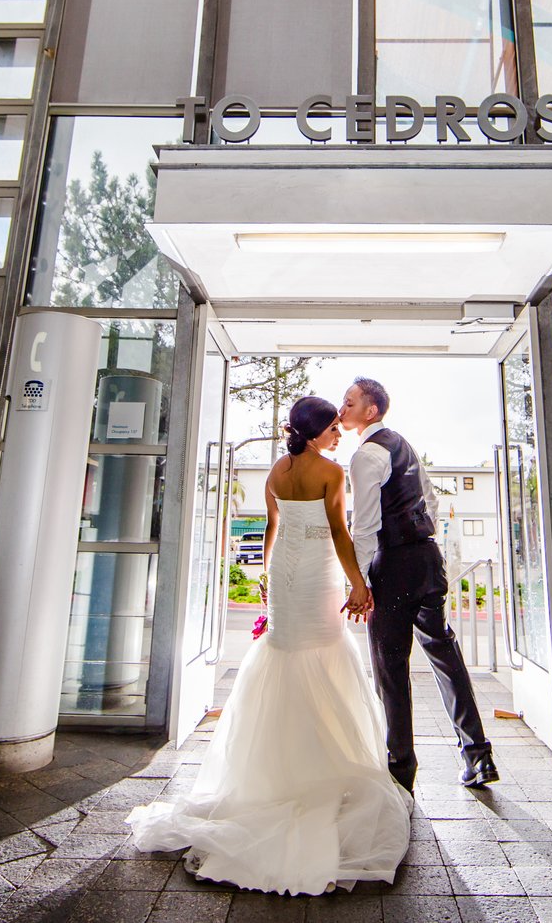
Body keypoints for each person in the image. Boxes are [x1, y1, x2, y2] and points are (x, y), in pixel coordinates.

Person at [128, 396, 411, 895]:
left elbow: (271, 527)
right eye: (332, 427)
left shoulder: (277, 471)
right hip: (317, 575)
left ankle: (278, 771)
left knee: (285, 653)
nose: (338, 433)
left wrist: (265, 574)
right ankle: (317, 767)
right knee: (323, 652)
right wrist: (359, 585)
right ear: (315, 431)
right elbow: (340, 533)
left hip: (283, 574)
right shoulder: (331, 472)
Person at [338, 377, 495, 794]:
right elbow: (432, 500)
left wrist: (359, 581)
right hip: (428, 559)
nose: (341, 409)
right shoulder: (402, 444)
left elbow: (365, 526)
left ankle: (400, 771)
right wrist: (422, 541)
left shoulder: (365, 455)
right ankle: (478, 756)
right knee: (444, 654)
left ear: (370, 411)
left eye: (349, 402)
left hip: (393, 564)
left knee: (391, 668)